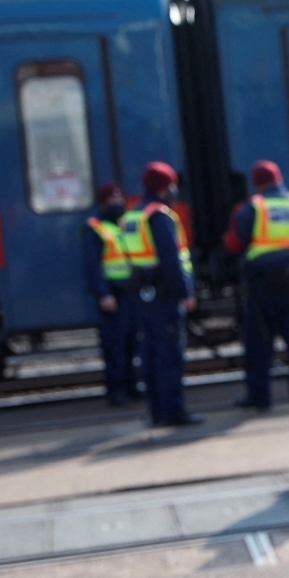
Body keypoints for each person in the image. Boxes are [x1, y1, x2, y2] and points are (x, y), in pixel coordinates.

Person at [224, 160, 289, 412]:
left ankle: (260, 398)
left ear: (256, 184)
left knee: (260, 343)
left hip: (263, 287)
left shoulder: (252, 208)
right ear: (280, 179)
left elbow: (234, 244)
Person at [119, 162, 203, 427]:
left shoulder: (132, 216)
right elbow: (171, 261)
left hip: (142, 295)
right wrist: (185, 293)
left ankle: (157, 411)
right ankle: (173, 412)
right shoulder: (159, 216)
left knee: (150, 355)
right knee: (169, 356)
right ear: (167, 187)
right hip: (164, 296)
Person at [82, 182, 140, 407]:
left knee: (130, 343)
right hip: (112, 295)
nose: (117, 202)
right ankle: (116, 392)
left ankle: (132, 385)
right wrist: (103, 294)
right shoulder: (94, 228)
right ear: (103, 202)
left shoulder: (122, 225)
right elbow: (92, 267)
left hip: (128, 293)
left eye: (119, 198)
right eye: (111, 199)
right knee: (114, 345)